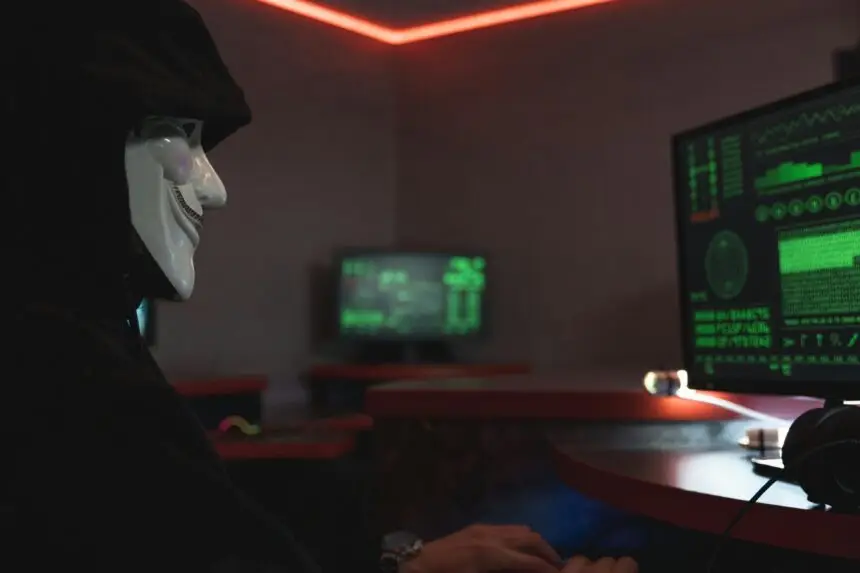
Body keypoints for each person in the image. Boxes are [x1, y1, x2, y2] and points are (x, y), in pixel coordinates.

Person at [3, 2, 636, 573]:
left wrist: (398, 559)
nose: (216, 189)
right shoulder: (57, 370)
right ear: (70, 135)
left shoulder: (83, 343)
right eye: (181, 134)